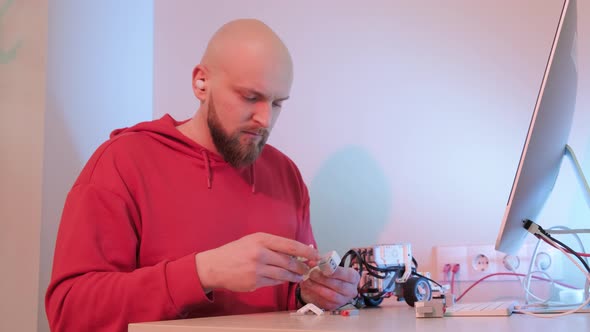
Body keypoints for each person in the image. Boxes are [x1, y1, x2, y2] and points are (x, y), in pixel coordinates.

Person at [45, 18, 360, 331]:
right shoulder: (123, 162)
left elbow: (286, 301)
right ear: (201, 83)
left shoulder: (286, 175)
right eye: (250, 97)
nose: (265, 119)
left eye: (277, 103)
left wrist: (310, 295)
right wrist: (201, 273)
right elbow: (70, 312)